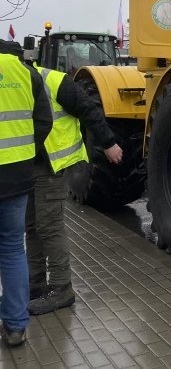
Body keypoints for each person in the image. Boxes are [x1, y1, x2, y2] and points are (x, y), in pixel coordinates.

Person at [25, 65, 123, 315]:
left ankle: (61, 289)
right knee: (32, 226)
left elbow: (88, 109)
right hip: (27, 164)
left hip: (52, 165)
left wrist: (108, 143)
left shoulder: (55, 81)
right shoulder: (14, 81)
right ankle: (35, 285)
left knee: (49, 226)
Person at [0, 40, 52, 347]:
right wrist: (25, 154)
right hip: (17, 177)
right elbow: (44, 121)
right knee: (12, 249)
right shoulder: (26, 72)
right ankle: (16, 326)